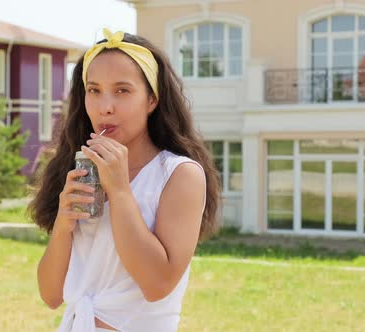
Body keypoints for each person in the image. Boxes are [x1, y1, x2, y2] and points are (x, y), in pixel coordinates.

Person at [27, 28, 220, 332]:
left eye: (122, 91)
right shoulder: (80, 170)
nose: (105, 106)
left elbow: (157, 284)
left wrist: (119, 191)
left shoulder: (180, 174)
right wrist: (63, 226)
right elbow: (51, 296)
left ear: (152, 99)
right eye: (94, 90)